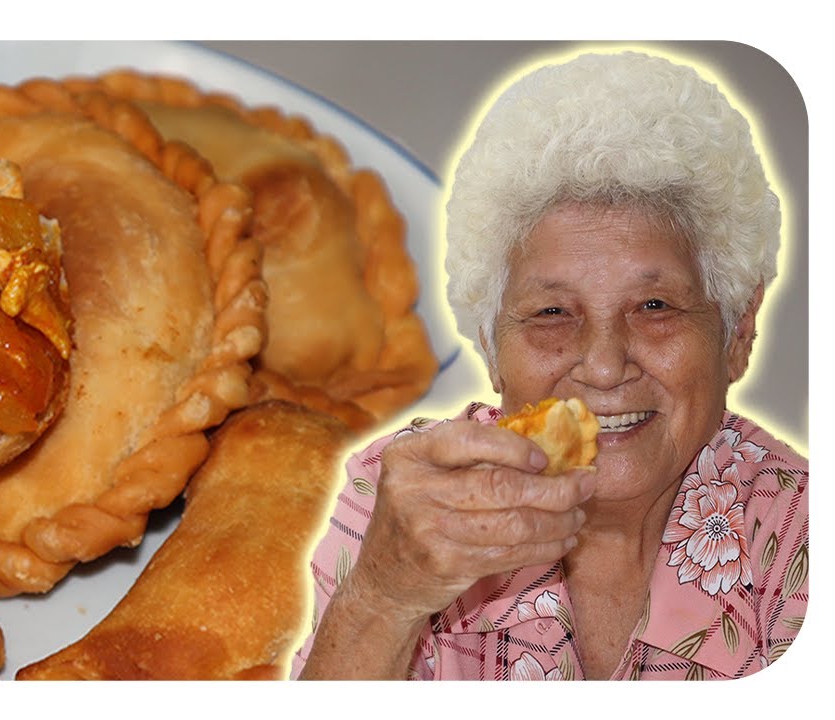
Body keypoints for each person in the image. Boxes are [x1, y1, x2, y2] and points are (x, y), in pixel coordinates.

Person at [292, 50, 808, 681]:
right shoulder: (406, 501)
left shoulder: (801, 530)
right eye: (552, 313)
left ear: (737, 332)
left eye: (654, 306)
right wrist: (383, 598)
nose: (604, 365)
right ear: (490, 348)